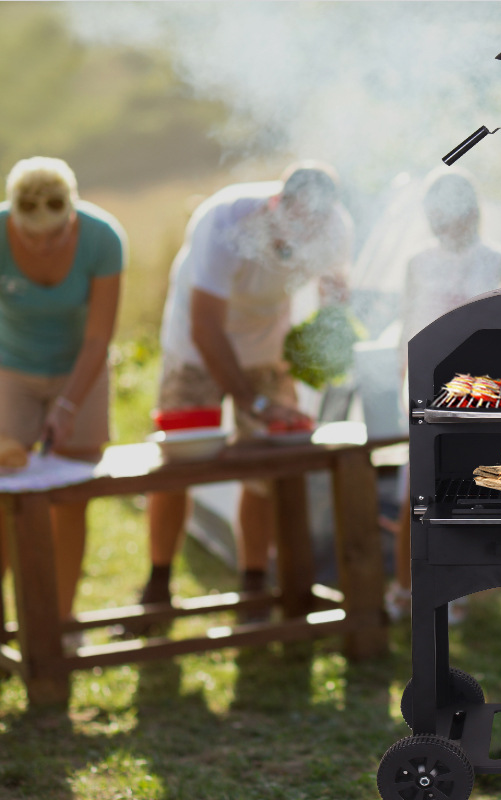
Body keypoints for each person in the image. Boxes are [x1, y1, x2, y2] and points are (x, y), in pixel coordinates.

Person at [139, 161, 352, 622]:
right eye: (298, 219)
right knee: (179, 463)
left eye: (315, 223)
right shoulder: (226, 221)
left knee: (268, 466)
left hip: (264, 347)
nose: (305, 230)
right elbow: (204, 325)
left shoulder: (335, 228)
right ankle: (157, 585)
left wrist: (324, 341)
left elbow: (336, 294)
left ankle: (256, 584)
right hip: (195, 348)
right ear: (279, 203)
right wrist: (250, 400)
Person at [0, 156, 127, 624]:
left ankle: (61, 621)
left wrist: (68, 404)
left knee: (72, 493)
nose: (43, 245)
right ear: (12, 218)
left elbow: (98, 336)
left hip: (80, 367)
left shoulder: (103, 238)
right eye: (31, 236)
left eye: (55, 234)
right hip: (7, 367)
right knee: (4, 490)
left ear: (73, 214)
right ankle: (4, 617)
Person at [386, 167, 501, 622]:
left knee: (459, 494)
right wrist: (407, 385)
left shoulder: (497, 260)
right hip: (424, 390)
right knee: (414, 494)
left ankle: (451, 589)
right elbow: (406, 329)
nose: (447, 223)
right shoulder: (418, 263)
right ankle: (403, 588)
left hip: (478, 393)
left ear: (471, 213)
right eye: (438, 213)